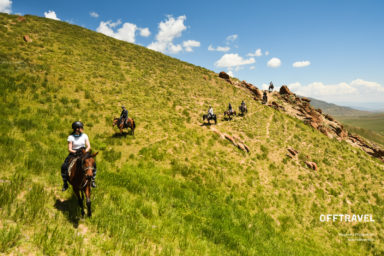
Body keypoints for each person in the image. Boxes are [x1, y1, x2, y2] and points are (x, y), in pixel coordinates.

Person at [61, 121, 96, 191]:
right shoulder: (71, 137)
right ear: (77, 129)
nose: (82, 129)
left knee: (93, 164)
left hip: (84, 152)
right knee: (64, 166)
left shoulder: (85, 135)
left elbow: (88, 146)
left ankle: (92, 180)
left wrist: (85, 152)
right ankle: (65, 183)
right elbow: (70, 149)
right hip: (74, 153)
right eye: (81, 128)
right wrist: (76, 152)